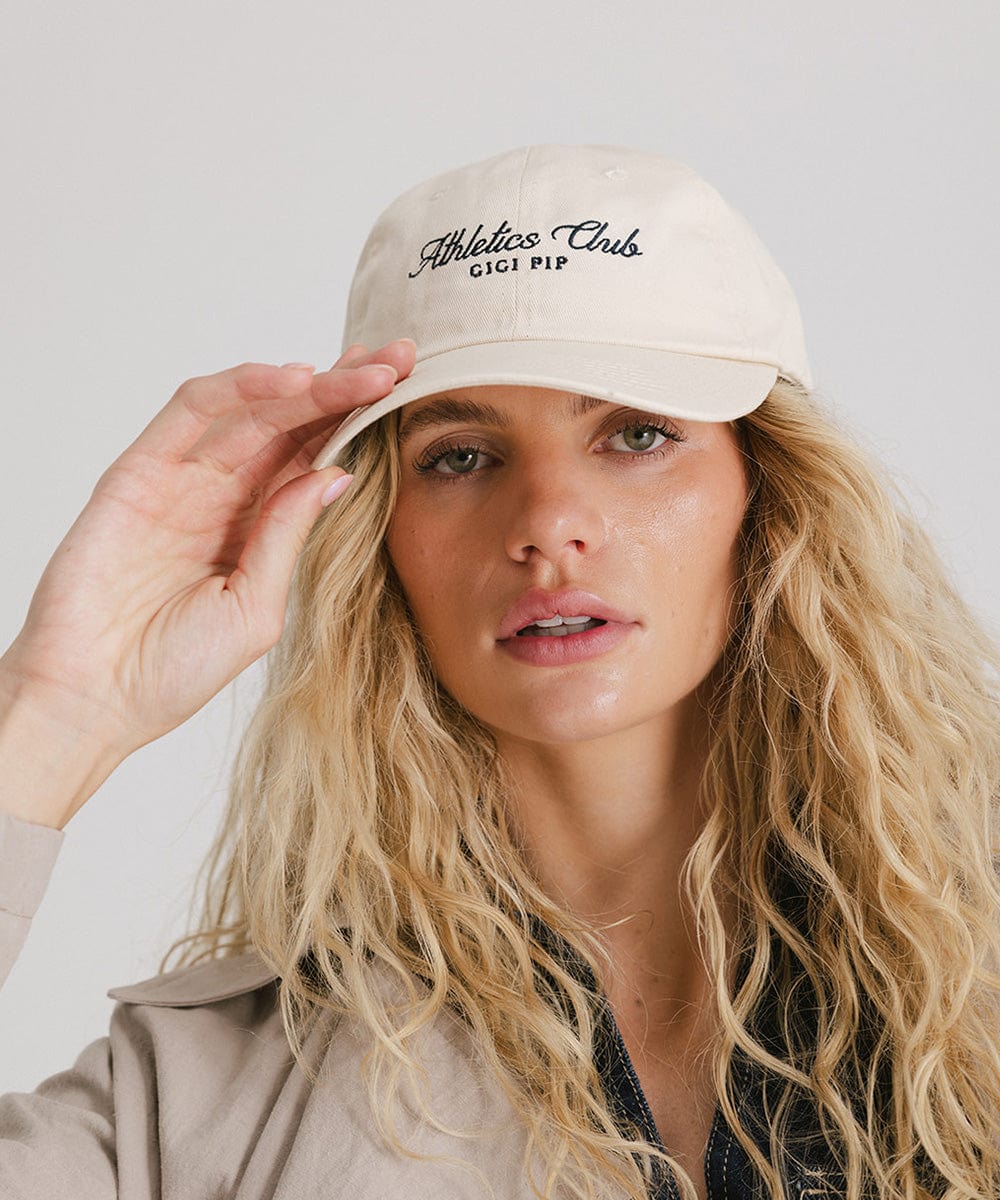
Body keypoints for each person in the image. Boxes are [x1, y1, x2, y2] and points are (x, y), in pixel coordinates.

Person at [0, 144, 997, 1200]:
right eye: (460, 457)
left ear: (767, 495)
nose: (548, 525)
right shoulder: (207, 1098)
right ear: (381, 535)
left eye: (638, 433)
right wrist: (51, 712)